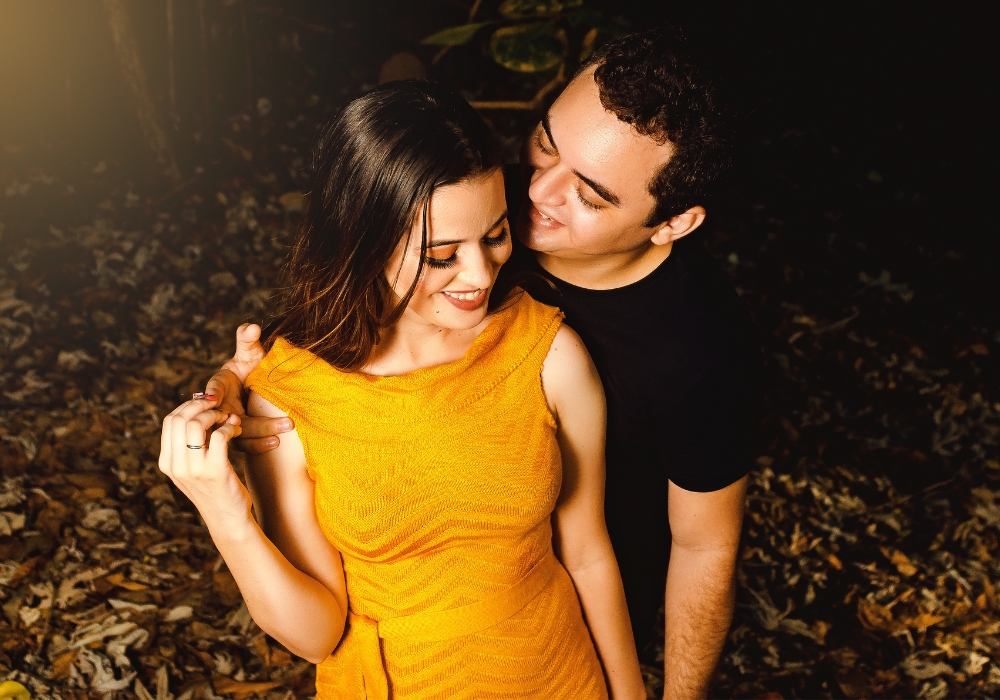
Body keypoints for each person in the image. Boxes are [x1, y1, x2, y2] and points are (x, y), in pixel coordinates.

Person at [209, 28, 760, 699]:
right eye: (545, 144)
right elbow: (380, 204)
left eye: (587, 195)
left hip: (573, 611)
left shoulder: (695, 351)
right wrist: (238, 384)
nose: (538, 194)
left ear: (671, 223)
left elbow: (696, 550)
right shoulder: (484, 191)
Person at [160, 81, 645, 699]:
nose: (479, 275)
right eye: (441, 255)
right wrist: (224, 513)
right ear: (363, 244)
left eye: (495, 235)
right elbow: (316, 634)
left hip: (558, 676)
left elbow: (588, 555)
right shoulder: (290, 398)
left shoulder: (547, 353)